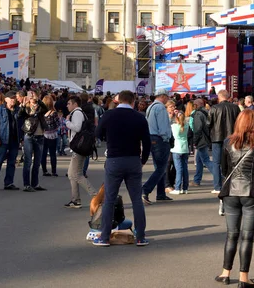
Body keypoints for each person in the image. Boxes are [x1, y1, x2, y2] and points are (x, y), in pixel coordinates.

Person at [216, 110, 254, 288]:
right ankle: (244, 278)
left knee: (231, 234)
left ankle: (225, 273)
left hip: (231, 192)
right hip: (252, 192)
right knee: (247, 237)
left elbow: (224, 169)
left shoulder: (228, 142)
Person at [93, 90, 151, 247]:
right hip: (133, 160)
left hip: (114, 160)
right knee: (136, 200)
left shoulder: (109, 115)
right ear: (133, 102)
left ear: (118, 100)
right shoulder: (140, 117)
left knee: (109, 200)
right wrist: (143, 160)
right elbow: (147, 142)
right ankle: (140, 237)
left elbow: (97, 133)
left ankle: (104, 237)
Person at [65, 96, 97, 207]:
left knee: (77, 175)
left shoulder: (77, 113)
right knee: (71, 174)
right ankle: (75, 199)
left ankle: (95, 196)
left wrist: (67, 122)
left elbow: (77, 128)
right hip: (78, 146)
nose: (67, 105)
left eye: (69, 103)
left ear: (75, 104)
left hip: (79, 147)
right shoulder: (78, 113)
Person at [142, 89, 173, 205]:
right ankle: (145, 189)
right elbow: (163, 127)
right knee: (161, 168)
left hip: (152, 138)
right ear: (163, 96)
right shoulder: (160, 108)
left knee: (159, 167)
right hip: (160, 139)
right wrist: (167, 138)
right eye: (167, 97)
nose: (168, 99)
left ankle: (161, 193)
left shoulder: (151, 107)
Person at [208, 90, 241, 195]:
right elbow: (240, 123)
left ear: (219, 97)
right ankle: (231, 185)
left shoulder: (214, 108)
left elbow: (208, 123)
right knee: (232, 162)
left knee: (216, 163)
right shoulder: (235, 108)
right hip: (232, 138)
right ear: (228, 97)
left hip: (217, 138)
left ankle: (217, 186)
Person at [19, 93, 48, 192]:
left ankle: (35, 184)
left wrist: (39, 100)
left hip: (40, 136)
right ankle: (26, 185)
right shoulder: (26, 108)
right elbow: (19, 115)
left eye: (33, 95)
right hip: (29, 136)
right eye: (30, 95)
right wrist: (23, 105)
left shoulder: (40, 107)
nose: (32, 97)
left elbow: (46, 109)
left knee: (37, 162)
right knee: (28, 161)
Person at [190, 99, 216, 189]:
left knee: (205, 160)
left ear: (197, 105)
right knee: (199, 161)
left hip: (201, 139)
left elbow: (197, 129)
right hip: (206, 138)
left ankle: (220, 176)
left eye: (194, 104)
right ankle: (197, 180)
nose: (193, 106)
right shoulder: (206, 112)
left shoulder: (198, 114)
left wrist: (195, 141)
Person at [0, 91, 21, 190]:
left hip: (14, 140)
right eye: (11, 98)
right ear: (6, 99)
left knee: (11, 162)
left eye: (14, 98)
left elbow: (21, 125)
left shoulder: (18, 110)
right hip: (3, 139)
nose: (13, 100)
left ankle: (9, 183)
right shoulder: (0, 110)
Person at [170, 112, 190, 195]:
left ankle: (177, 188)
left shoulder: (174, 126)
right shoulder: (186, 125)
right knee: (185, 169)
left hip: (177, 149)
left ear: (176, 119)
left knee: (179, 169)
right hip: (185, 148)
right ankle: (185, 188)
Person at [41, 95, 59, 177]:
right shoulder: (53, 113)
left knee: (43, 153)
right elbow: (57, 124)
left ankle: (44, 170)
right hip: (52, 135)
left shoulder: (41, 112)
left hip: (43, 134)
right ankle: (54, 171)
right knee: (52, 154)